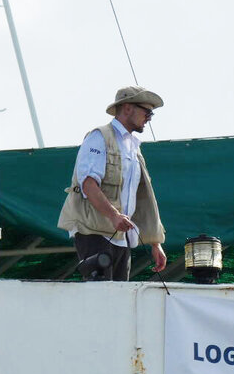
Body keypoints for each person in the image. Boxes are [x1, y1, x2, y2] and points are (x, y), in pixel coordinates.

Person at [58, 86, 167, 281]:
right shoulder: (99, 137)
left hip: (121, 237)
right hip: (93, 231)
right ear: (127, 108)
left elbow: (143, 198)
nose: (149, 117)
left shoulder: (134, 148)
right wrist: (114, 216)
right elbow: (88, 185)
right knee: (101, 296)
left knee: (118, 300)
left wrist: (154, 242)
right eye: (146, 111)